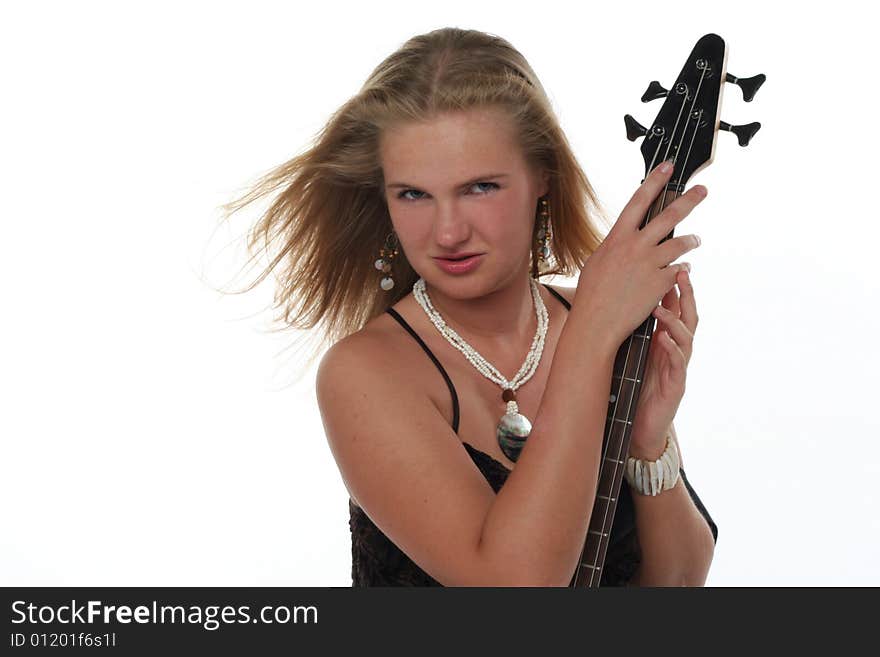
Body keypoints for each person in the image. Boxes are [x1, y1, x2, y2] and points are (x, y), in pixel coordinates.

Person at [223, 27, 717, 586]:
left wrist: (648, 444)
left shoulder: (596, 324)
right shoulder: (366, 372)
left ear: (543, 178)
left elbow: (677, 585)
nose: (449, 232)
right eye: (413, 194)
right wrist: (590, 344)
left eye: (480, 187)